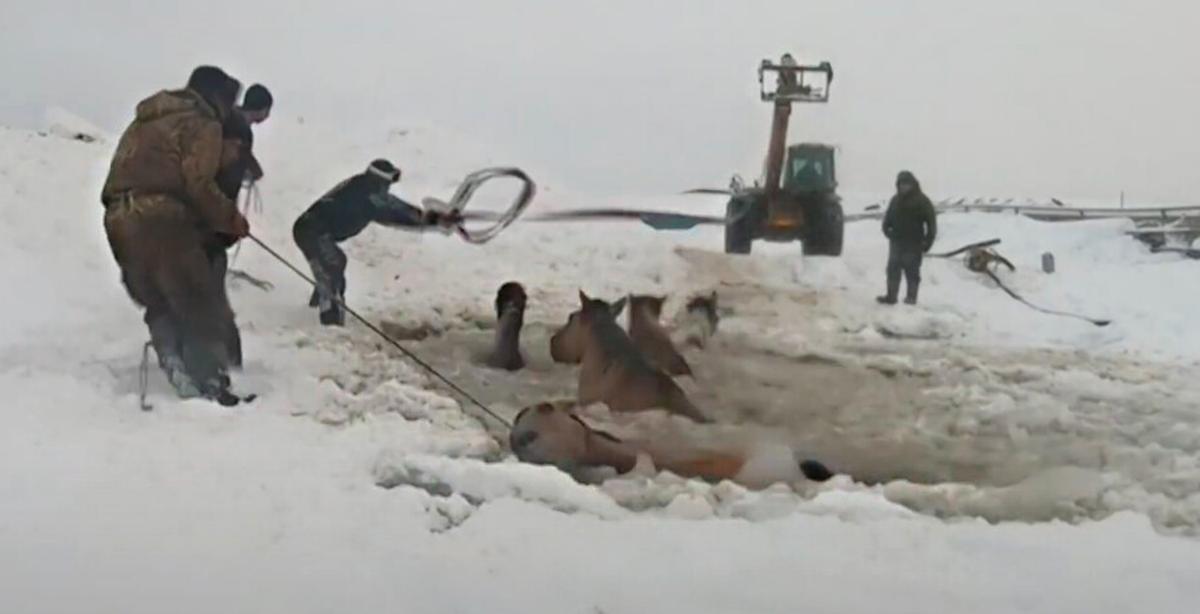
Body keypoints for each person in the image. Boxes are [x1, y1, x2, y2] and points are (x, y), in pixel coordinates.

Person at [101, 65, 251, 405]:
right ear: (216, 97)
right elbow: (198, 182)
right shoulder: (202, 122)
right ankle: (211, 382)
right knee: (197, 297)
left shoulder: (145, 121)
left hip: (118, 218)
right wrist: (230, 218)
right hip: (162, 215)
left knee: (159, 296)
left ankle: (173, 360)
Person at [292, 159, 461, 325]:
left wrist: (430, 218)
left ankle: (316, 307)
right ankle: (330, 321)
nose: (388, 187)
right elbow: (395, 213)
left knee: (332, 264)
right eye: (388, 183)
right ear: (380, 182)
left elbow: (394, 206)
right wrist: (431, 221)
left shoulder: (363, 187)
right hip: (313, 231)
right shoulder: (368, 197)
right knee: (333, 265)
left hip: (310, 229)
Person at [211, 83, 272, 368]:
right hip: (212, 220)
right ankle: (227, 364)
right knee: (212, 291)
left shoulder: (222, 119)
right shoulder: (239, 128)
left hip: (203, 214)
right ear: (261, 110)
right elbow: (235, 166)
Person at [877, 170, 937, 305]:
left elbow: (931, 224)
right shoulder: (895, 200)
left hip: (914, 244)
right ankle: (891, 296)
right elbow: (887, 220)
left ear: (913, 184)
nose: (903, 187)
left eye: (906, 184)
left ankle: (911, 298)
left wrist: (927, 243)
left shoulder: (922, 201)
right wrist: (887, 231)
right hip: (896, 243)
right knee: (892, 270)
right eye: (901, 184)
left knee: (912, 272)